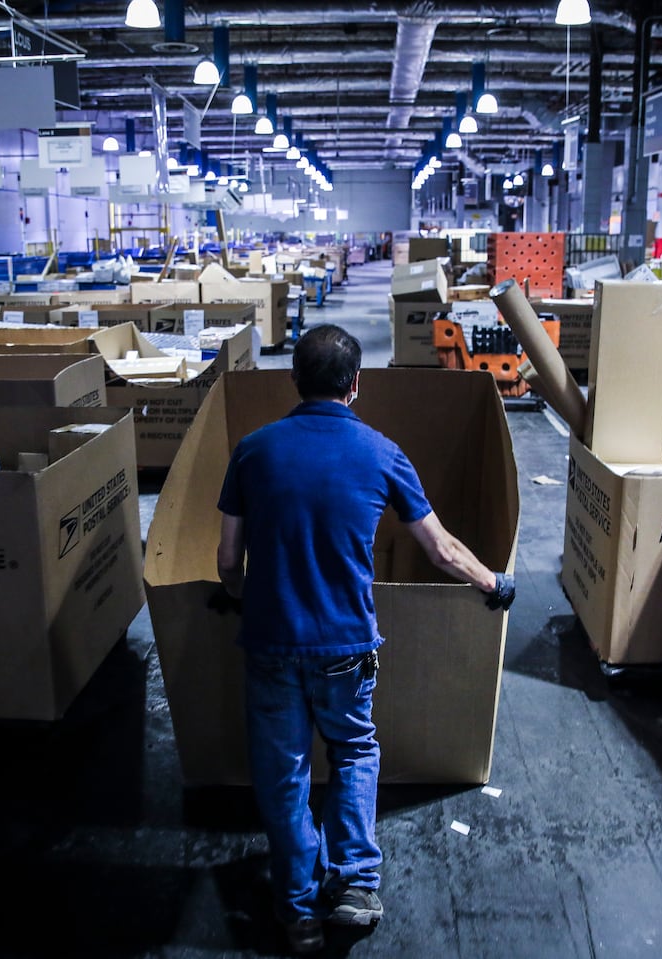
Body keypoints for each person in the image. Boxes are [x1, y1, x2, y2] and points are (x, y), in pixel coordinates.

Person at [215, 325, 515, 955]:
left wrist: (245, 598)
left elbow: (227, 559)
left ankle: (297, 910)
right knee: (352, 750)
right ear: (356, 385)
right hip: (346, 645)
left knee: (285, 771)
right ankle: (353, 885)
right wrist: (494, 581)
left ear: (294, 380)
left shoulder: (253, 450)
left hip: (271, 641)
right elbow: (441, 549)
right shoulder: (381, 452)